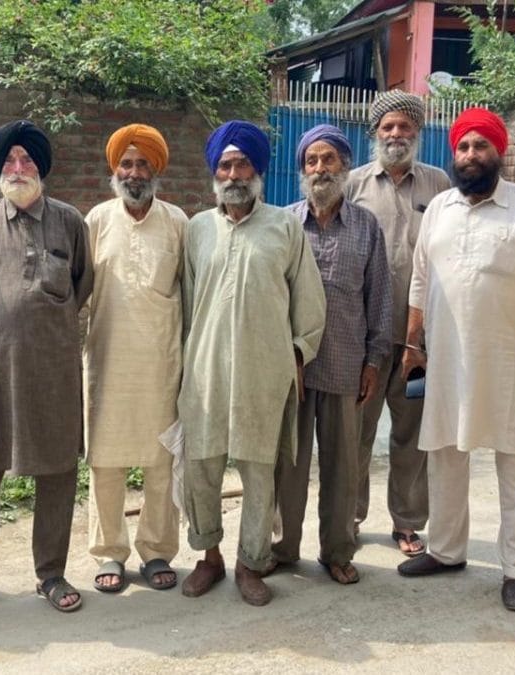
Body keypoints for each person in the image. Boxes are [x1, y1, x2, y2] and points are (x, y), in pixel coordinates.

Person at [398, 108, 515, 613]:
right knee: (444, 456)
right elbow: (420, 281)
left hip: (513, 363)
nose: (471, 155)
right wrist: (413, 346)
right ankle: (446, 550)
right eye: (463, 147)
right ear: (453, 154)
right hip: (446, 361)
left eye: (481, 146)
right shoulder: (439, 208)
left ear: (500, 151)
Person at [0, 120, 93, 620]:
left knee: (58, 471)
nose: (18, 167)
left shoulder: (70, 223)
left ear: (41, 168)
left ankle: (51, 574)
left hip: (52, 372)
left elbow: (81, 285)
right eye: (9, 160)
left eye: (27, 160)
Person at [178, 120, 326, 606]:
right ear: (214, 172)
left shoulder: (284, 226)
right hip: (205, 371)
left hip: (264, 371)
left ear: (257, 170)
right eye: (225, 165)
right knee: (201, 467)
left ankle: (250, 562)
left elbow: (308, 299)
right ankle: (209, 558)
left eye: (242, 164)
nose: (233, 174)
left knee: (259, 473)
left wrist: (298, 352)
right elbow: (187, 303)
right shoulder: (198, 229)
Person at [272, 124, 392, 585]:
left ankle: (338, 551)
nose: (320, 168)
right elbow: (273, 297)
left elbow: (379, 298)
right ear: (302, 169)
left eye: (329, 159)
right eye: (311, 160)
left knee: (343, 467)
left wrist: (373, 361)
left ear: (345, 165)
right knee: (289, 465)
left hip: (346, 363)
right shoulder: (285, 223)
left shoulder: (366, 226)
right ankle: (283, 548)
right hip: (294, 368)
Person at [346, 90, 450, 557]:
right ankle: (348, 517)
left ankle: (407, 522)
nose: (396, 134)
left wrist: (423, 337)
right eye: (388, 126)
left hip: (418, 342)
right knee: (356, 431)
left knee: (411, 432)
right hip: (364, 339)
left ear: (417, 132)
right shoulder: (354, 184)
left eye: (405, 126)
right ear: (375, 133)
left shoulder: (438, 184)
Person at [83, 124, 186, 593]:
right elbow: (78, 292)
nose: (134, 172)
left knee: (161, 461)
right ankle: (109, 551)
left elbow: (190, 293)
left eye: (143, 163)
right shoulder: (97, 221)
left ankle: (157, 550)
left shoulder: (178, 223)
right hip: (107, 360)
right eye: (126, 163)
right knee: (105, 461)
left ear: (156, 169)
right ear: (114, 169)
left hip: (163, 363)